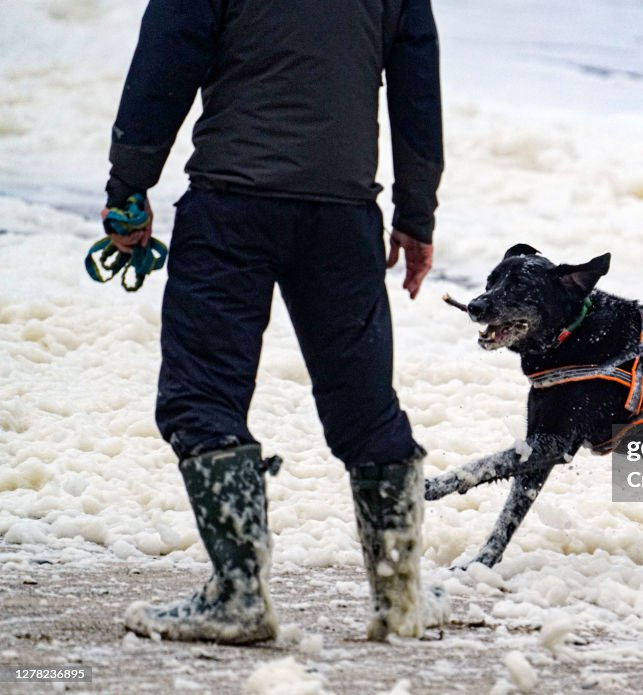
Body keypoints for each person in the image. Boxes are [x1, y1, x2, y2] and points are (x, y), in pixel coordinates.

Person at [104, 0, 444, 644]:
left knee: (201, 397)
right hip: (343, 218)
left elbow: (165, 60)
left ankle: (238, 595)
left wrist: (128, 187)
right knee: (367, 410)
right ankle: (400, 601)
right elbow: (417, 88)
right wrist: (415, 216)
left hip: (233, 207)